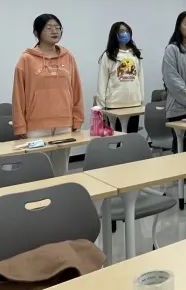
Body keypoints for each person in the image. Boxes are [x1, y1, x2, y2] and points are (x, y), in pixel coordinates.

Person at [12, 13, 84, 174]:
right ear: (37, 32)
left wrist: (77, 119)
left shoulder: (68, 57)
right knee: (37, 170)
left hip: (64, 124)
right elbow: (18, 95)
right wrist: (19, 126)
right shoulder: (26, 59)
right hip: (36, 126)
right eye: (49, 28)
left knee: (61, 170)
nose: (55, 31)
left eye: (58, 28)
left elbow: (76, 89)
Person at [96, 21, 144, 133]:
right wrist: (101, 106)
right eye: (121, 31)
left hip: (134, 104)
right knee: (117, 137)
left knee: (131, 136)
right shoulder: (108, 55)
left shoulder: (135, 54)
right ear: (115, 34)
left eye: (127, 31)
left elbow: (140, 78)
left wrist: (141, 99)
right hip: (114, 105)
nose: (125, 33)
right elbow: (102, 81)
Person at [162, 11, 186, 153]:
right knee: (181, 151)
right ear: (179, 26)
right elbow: (172, 80)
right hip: (180, 108)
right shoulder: (173, 49)